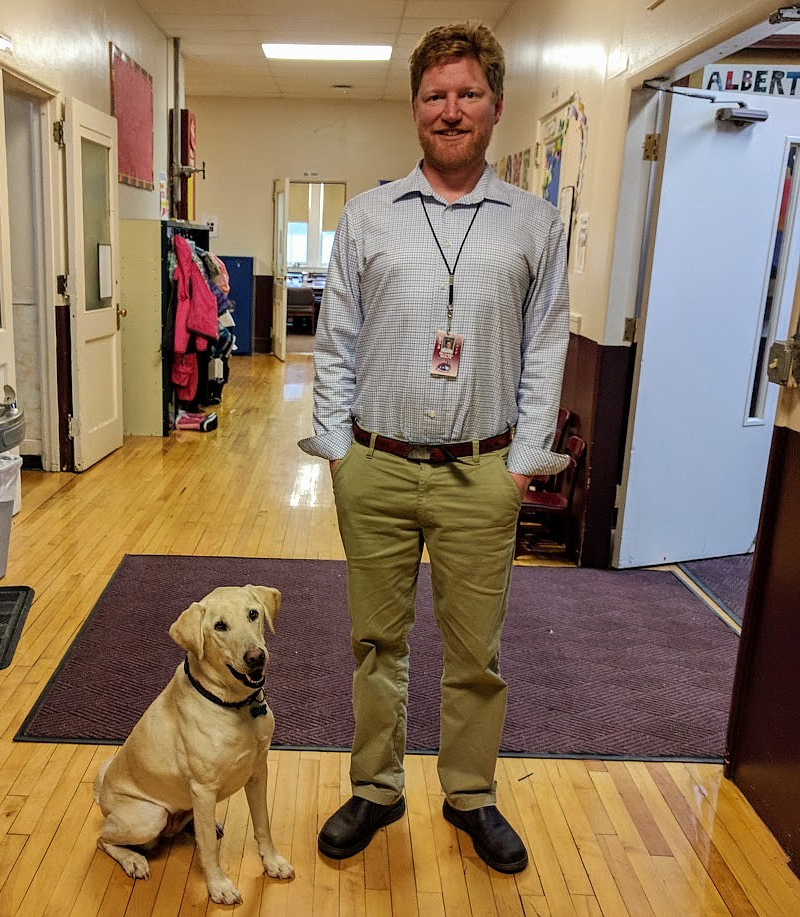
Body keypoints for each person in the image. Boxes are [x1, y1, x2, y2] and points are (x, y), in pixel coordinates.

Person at [298, 21, 570, 874]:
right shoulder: (367, 216)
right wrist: (338, 451)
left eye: (467, 95)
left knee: (474, 650)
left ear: (494, 106)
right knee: (375, 643)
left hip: (480, 473)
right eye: (434, 96)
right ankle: (376, 788)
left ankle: (470, 794)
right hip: (373, 466)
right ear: (415, 107)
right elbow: (335, 343)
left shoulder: (534, 223)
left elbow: (548, 344)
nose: (450, 111)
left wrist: (522, 463)